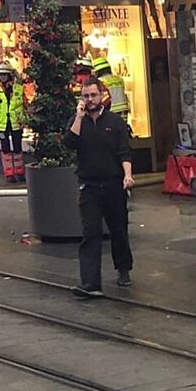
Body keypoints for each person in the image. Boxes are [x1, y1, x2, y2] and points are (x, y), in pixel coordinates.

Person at [67, 77, 135, 298]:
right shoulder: (78, 122)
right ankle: (90, 283)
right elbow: (69, 144)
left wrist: (127, 175)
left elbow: (124, 151)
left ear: (102, 95)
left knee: (118, 230)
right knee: (91, 233)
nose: (89, 100)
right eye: (85, 96)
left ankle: (123, 268)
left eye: (93, 95)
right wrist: (78, 117)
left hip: (114, 185)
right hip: (89, 187)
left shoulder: (115, 122)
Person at [0, 62, 26, 183]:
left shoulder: (18, 89)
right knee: (5, 148)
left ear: (10, 75)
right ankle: (9, 173)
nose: (3, 77)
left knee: (17, 148)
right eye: (1, 75)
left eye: (5, 75)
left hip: (16, 123)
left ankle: (20, 173)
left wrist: (24, 120)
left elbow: (24, 105)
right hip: (2, 124)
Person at [92, 55, 129, 120]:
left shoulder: (100, 82)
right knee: (122, 128)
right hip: (123, 108)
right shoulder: (119, 79)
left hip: (111, 109)